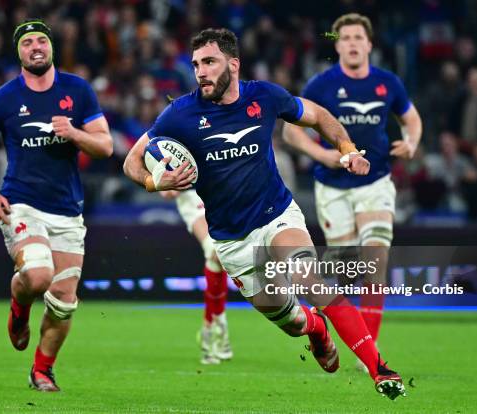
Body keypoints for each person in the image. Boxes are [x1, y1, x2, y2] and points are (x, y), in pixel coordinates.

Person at [123, 28, 405, 400]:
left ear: (233, 64)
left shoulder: (265, 96)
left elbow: (319, 116)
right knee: (291, 322)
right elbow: (131, 161)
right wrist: (154, 182)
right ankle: (317, 330)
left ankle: (379, 369)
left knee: (310, 279)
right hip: (231, 240)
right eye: (195, 64)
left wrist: (347, 149)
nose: (201, 72)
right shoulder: (180, 114)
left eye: (209, 62)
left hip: (277, 215)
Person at [0, 19, 113, 392]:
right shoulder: (6, 98)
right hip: (22, 205)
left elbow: (106, 146)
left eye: (40, 40)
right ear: (19, 53)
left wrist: (74, 133)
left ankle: (41, 371)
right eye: (27, 43)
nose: (35, 47)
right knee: (40, 274)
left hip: (67, 211)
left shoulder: (77, 90)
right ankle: (19, 305)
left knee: (63, 302)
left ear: (51, 47)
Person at [282, 13, 422, 372]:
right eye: (345, 38)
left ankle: (369, 355)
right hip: (334, 188)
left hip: (375, 183)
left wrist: (411, 143)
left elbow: (411, 118)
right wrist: (322, 153)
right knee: (345, 270)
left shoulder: (387, 83)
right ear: (338, 45)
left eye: (359, 37)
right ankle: (325, 321)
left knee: (375, 259)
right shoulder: (320, 86)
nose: (353, 43)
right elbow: (291, 133)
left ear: (369, 44)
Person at [161, 189, 232, 364]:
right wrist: (170, 184)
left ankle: (211, 329)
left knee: (217, 261)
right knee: (215, 251)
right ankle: (218, 331)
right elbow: (165, 191)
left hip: (219, 193)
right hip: (192, 199)